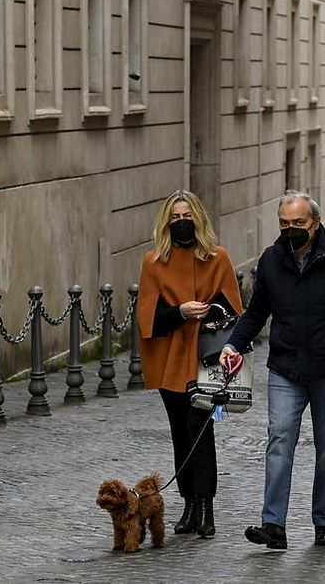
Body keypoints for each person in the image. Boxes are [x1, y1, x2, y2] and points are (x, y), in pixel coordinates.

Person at [222, 191, 325, 550]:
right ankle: (273, 524)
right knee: (279, 440)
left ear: (315, 222)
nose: (290, 229)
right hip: (285, 367)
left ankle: (323, 522)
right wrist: (233, 345)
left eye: (298, 223)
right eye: (284, 223)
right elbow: (256, 312)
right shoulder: (271, 259)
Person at [136, 190, 243, 540]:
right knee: (181, 433)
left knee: (201, 431)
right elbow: (148, 317)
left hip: (205, 360)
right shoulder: (154, 262)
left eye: (187, 216)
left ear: (198, 219)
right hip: (170, 360)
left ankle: (205, 506)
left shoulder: (219, 258)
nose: (182, 222)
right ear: (167, 222)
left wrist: (206, 312)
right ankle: (187, 505)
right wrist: (180, 311)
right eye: (176, 217)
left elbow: (234, 312)